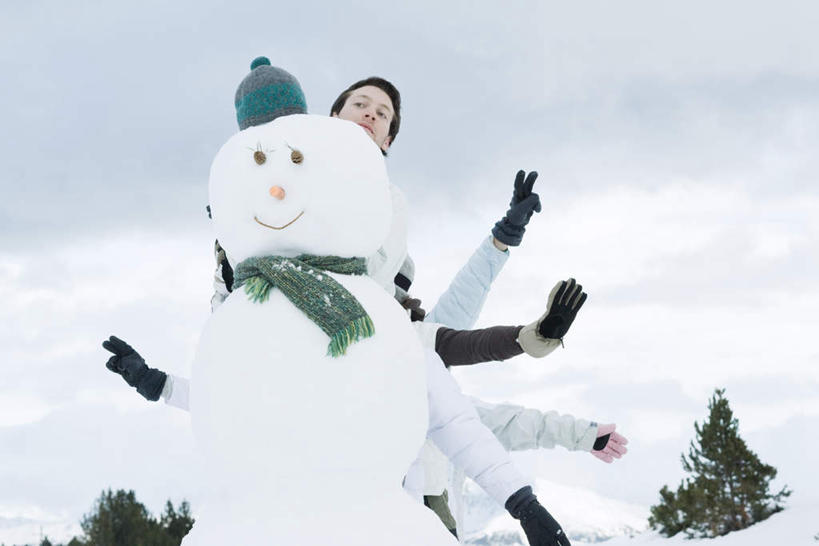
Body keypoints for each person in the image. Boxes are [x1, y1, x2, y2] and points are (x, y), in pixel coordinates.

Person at [105, 58, 628, 545]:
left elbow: (448, 374)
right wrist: (165, 382)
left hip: (398, 483)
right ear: (325, 119)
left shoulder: (378, 280)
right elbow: (248, 384)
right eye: (361, 105)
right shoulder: (266, 269)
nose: (371, 116)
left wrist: (518, 318)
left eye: (383, 115)